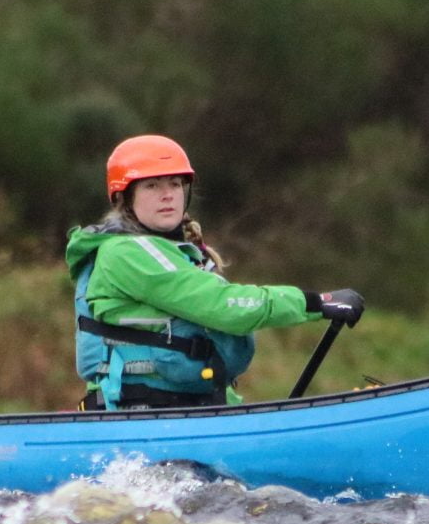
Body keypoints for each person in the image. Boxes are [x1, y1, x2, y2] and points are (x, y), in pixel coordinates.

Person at [64, 134, 365, 410]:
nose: (168, 194)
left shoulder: (175, 251)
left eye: (175, 183)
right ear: (124, 197)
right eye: (152, 185)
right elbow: (222, 306)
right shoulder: (126, 253)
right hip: (146, 411)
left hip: (190, 405)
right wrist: (314, 302)